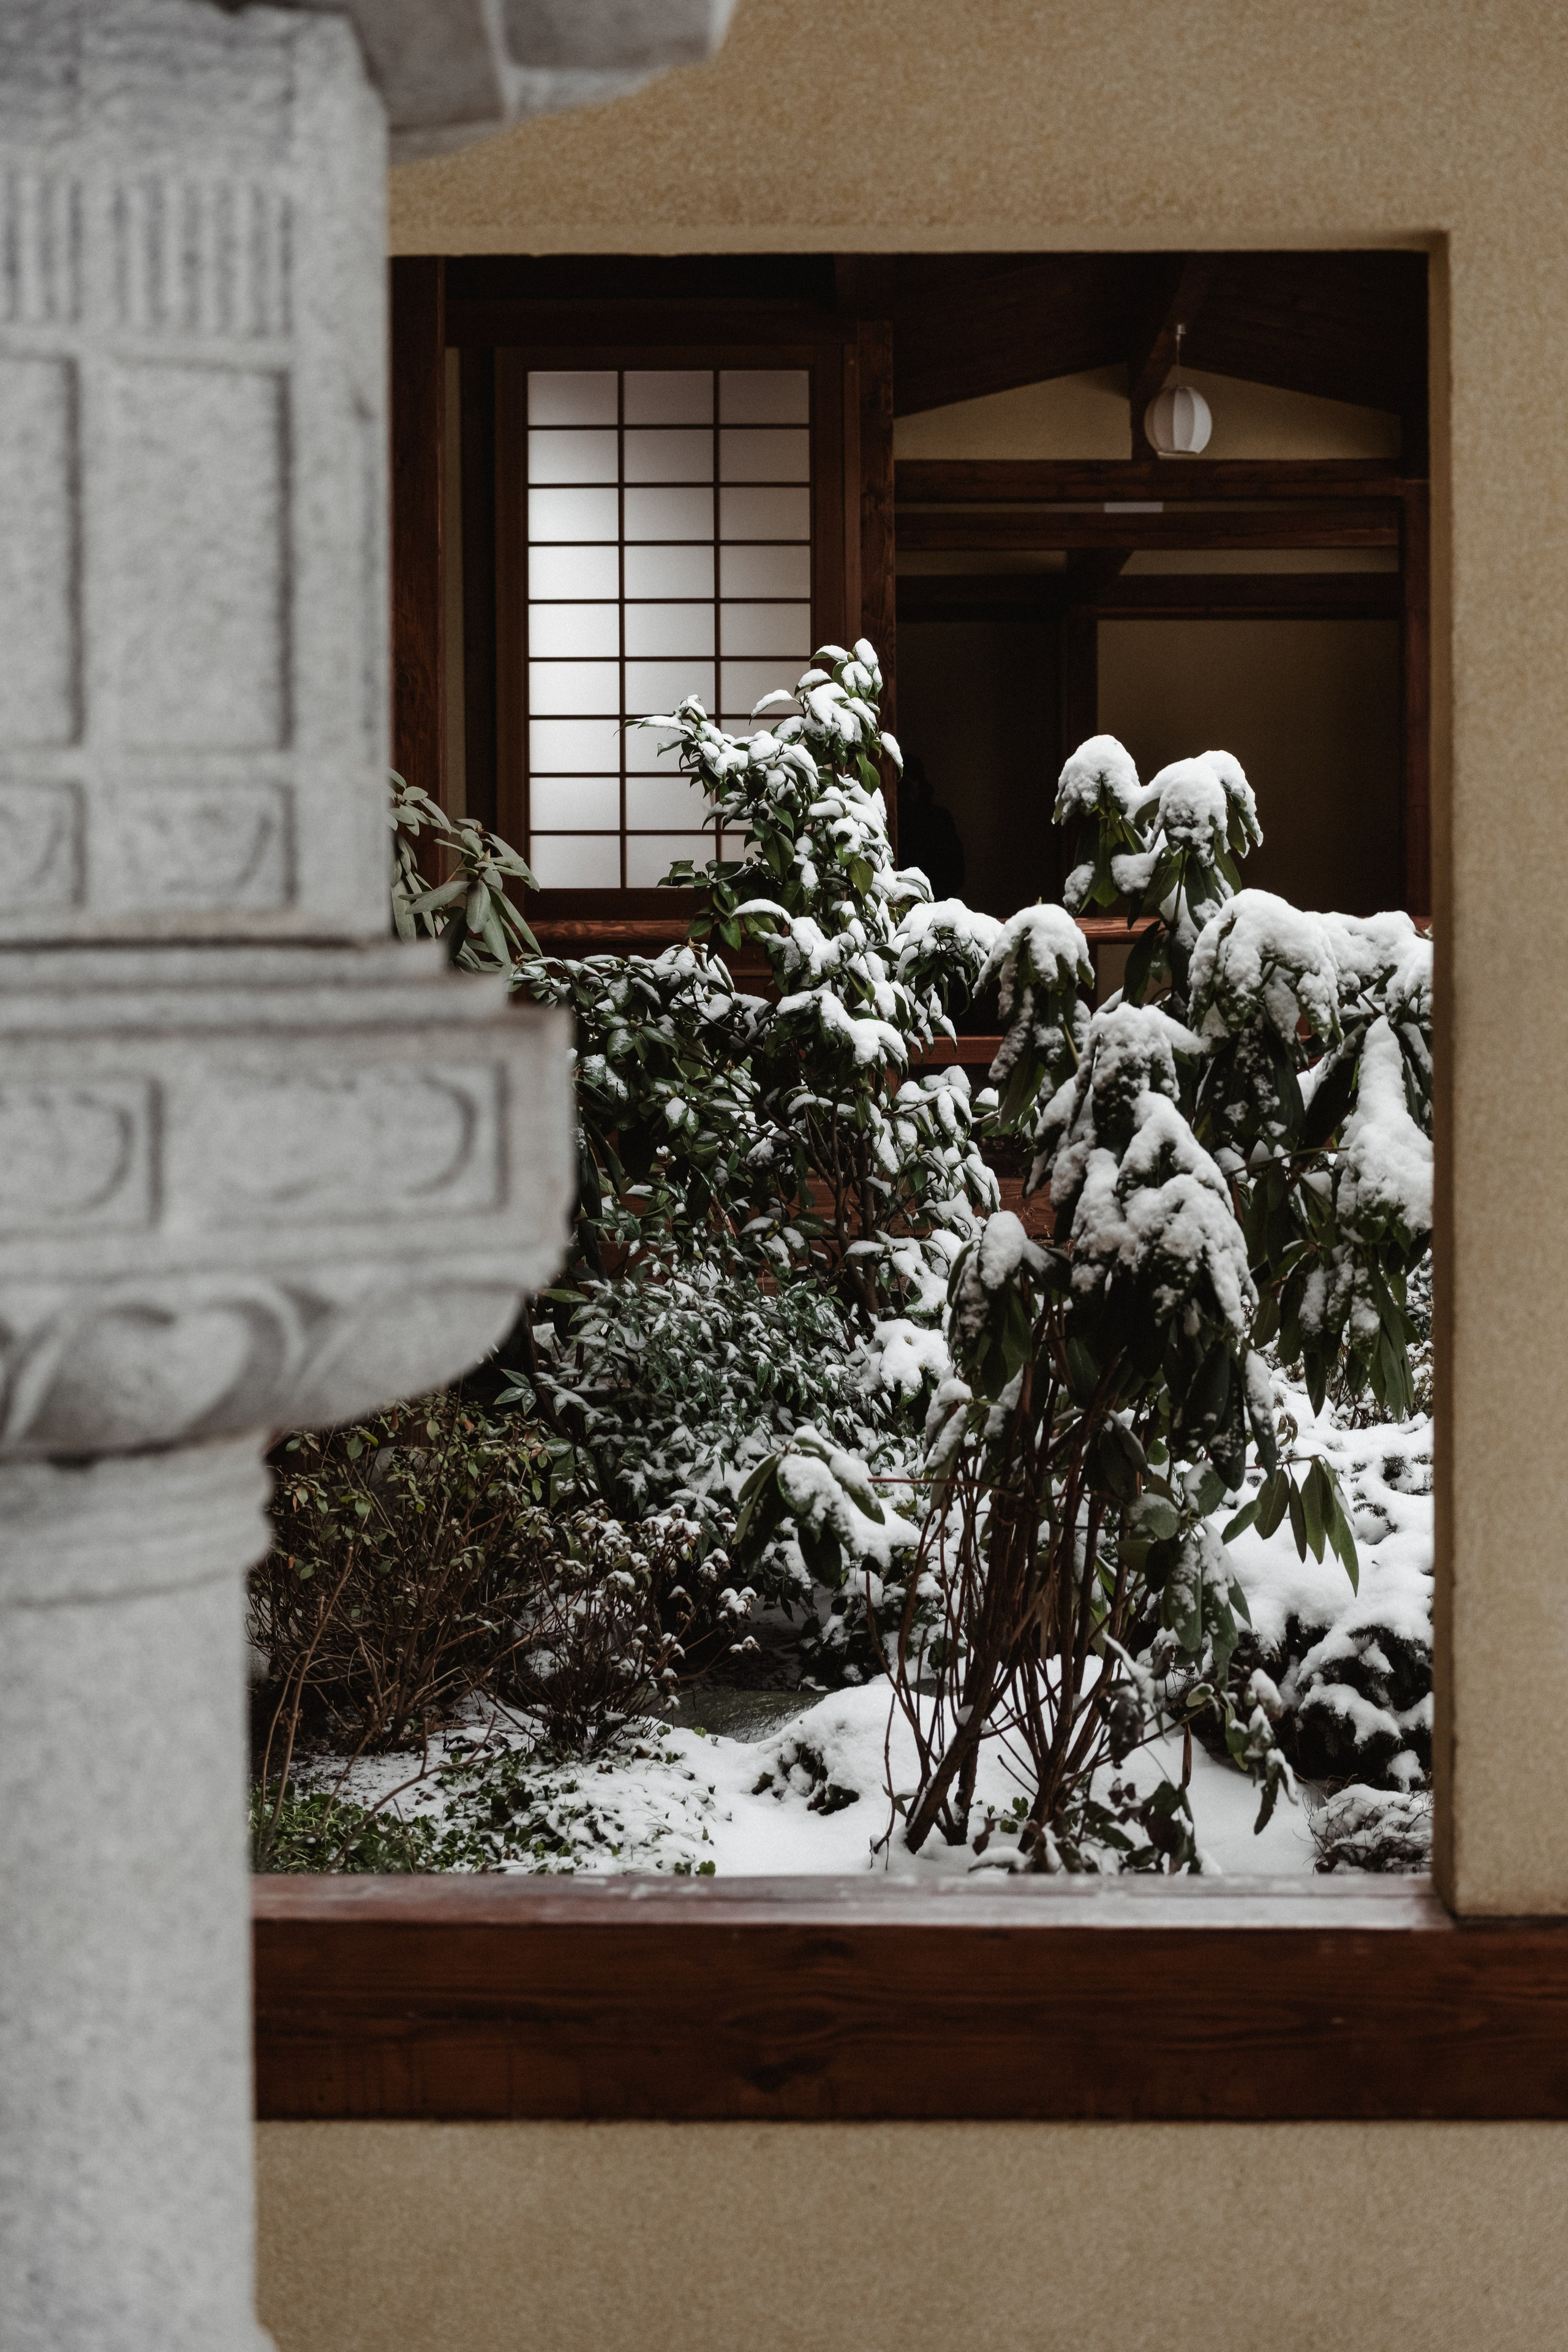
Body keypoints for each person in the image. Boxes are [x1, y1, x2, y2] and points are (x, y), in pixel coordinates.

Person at [897, 753, 967, 899]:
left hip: (937, 901)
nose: (908, 788)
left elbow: (957, 872)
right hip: (899, 901)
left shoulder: (940, 819)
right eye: (903, 782)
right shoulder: (890, 822)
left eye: (913, 779)